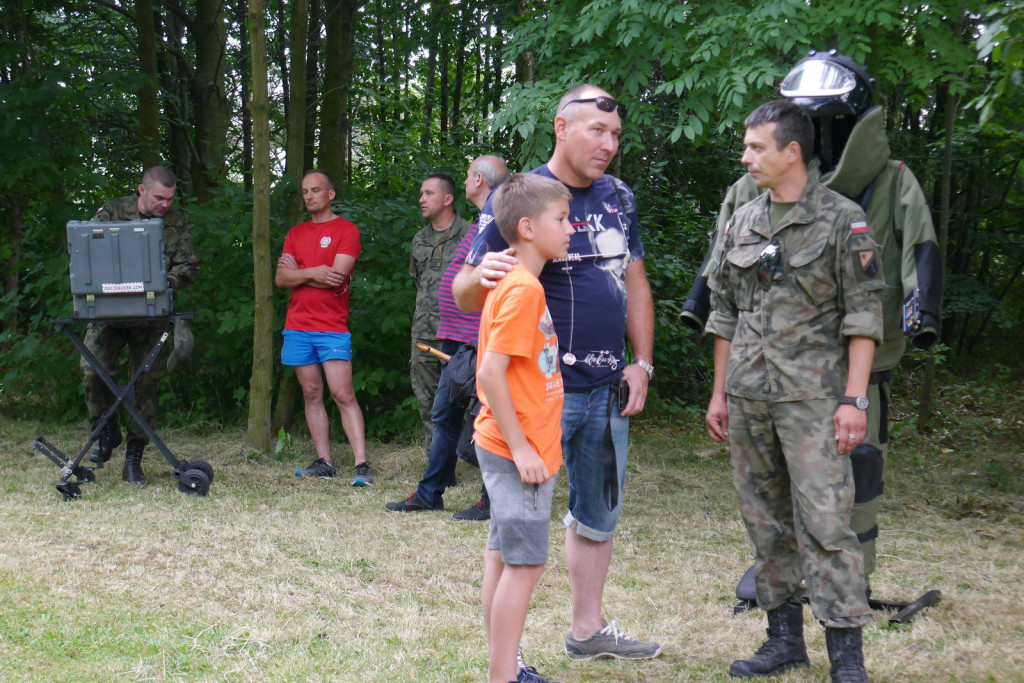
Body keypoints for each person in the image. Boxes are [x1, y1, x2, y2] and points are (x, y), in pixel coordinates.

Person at [683, 50, 943, 587]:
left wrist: (922, 312)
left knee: (857, 469)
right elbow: (721, 265)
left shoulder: (887, 184)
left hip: (857, 362)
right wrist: (701, 309)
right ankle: (782, 581)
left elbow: (921, 247)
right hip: (773, 373)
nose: (749, 158)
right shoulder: (752, 194)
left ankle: (851, 581)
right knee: (773, 479)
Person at [454, 85, 661, 662]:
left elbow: (635, 282)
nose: (609, 145)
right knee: (516, 529)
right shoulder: (525, 197)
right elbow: (465, 292)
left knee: (599, 512)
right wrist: (483, 271)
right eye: (597, 130)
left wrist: (640, 362)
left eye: (616, 134)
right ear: (562, 127)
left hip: (608, 387)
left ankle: (587, 630)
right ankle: (507, 660)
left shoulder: (619, 196)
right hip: (539, 395)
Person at [704, 99, 884, 682]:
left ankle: (846, 658)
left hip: (814, 401)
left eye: (757, 147)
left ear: (792, 151)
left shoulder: (842, 219)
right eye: (746, 146)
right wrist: (718, 394)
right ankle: (783, 639)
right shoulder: (742, 221)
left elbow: (863, 317)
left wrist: (855, 400)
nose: (746, 156)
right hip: (749, 396)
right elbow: (723, 313)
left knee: (827, 524)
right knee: (765, 521)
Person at [475, 173, 573, 683]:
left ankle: (503, 666)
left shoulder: (517, 283)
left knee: (502, 553)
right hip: (519, 451)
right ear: (529, 228)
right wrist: (523, 449)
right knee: (526, 565)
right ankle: (503, 675)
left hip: (511, 443)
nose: (571, 228)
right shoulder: (523, 289)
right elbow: (490, 373)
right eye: (561, 219)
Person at [387, 155, 509, 519]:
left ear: (478, 180)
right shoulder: (487, 218)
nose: (466, 179)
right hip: (458, 341)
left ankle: (493, 498)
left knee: (487, 415)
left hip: (479, 340)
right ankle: (430, 493)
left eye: (470, 174)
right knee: (446, 414)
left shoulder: (498, 217)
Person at [85, 166, 199, 485]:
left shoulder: (175, 222)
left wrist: (165, 282)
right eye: (159, 198)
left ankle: (134, 458)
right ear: (141, 190)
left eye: (170, 199)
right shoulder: (112, 213)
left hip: (151, 314)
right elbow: (86, 253)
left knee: (146, 384)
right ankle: (105, 430)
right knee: (92, 370)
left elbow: (189, 267)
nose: (165, 205)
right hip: (108, 310)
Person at [275, 170, 371, 486]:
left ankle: (361, 466)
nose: (309, 196)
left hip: (331, 326)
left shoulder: (346, 230)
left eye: (316, 190)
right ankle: (325, 463)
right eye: (305, 192)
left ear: (330, 194)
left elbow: (338, 277)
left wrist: (300, 273)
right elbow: (280, 279)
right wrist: (317, 270)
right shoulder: (295, 233)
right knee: (311, 392)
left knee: (342, 393)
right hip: (297, 326)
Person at [410, 173, 472, 439]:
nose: (421, 199)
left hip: (460, 334)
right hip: (424, 333)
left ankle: (471, 454)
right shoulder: (419, 239)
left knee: (465, 397)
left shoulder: (470, 234)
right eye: (421, 194)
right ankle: (436, 462)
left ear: (448, 199)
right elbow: (418, 281)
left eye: (429, 194)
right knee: (426, 400)